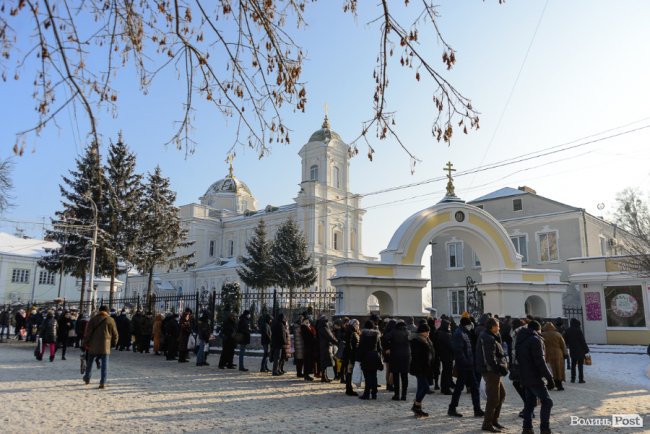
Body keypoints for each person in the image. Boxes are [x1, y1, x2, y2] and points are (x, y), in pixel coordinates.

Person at [516, 320, 554, 434]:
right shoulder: (535, 340)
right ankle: (545, 429)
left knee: (529, 402)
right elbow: (540, 362)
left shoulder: (521, 338)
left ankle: (527, 428)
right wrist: (549, 378)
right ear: (538, 329)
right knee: (547, 402)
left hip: (524, 375)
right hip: (535, 376)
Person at [448, 316, 484, 418]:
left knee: (474, 387)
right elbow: (458, 351)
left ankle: (477, 409)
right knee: (459, 388)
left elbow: (468, 349)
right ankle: (452, 408)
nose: (471, 326)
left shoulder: (465, 333)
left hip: (468, 365)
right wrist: (466, 362)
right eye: (470, 324)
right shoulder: (459, 333)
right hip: (463, 366)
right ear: (466, 325)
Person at [476, 317, 508, 433]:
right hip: (491, 372)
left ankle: (494, 420)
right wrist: (498, 369)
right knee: (493, 398)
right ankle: (487, 423)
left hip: (492, 371)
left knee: (502, 394)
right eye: (498, 326)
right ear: (492, 327)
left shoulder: (490, 336)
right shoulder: (488, 338)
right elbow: (490, 358)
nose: (499, 328)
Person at [83, 305, 119, 389]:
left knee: (90, 362)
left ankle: (87, 378)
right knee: (104, 365)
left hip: (93, 344)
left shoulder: (93, 319)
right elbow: (115, 334)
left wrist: (86, 342)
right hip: (105, 345)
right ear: (107, 311)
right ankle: (102, 382)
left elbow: (88, 333)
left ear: (99, 311)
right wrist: (113, 343)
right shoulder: (111, 320)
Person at [409, 322, 434, 417]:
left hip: (424, 367)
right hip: (419, 368)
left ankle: (418, 408)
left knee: (421, 387)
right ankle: (416, 405)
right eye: (427, 332)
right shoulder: (417, 341)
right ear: (421, 332)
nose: (428, 333)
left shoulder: (425, 339)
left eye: (429, 331)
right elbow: (419, 357)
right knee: (425, 387)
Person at [357, 320, 382, 400]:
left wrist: (359, 358)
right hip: (374, 356)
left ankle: (367, 394)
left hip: (366, 357)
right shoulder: (376, 335)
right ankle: (374, 394)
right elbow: (379, 348)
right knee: (374, 376)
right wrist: (379, 357)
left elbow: (360, 348)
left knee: (367, 377)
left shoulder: (363, 335)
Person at [387, 320, 411, 401]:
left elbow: (385, 338)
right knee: (404, 376)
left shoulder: (393, 331)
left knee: (396, 376)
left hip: (395, 356)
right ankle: (404, 395)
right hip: (406, 356)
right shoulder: (407, 332)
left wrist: (390, 346)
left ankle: (396, 395)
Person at [563, 318, 589, 383]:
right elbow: (582, 341)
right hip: (580, 350)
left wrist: (569, 345)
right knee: (580, 365)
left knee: (573, 364)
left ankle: (573, 378)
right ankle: (581, 379)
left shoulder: (567, 330)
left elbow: (565, 341)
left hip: (572, 350)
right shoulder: (578, 330)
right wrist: (586, 349)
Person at [541, 322, 567, 391]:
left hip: (547, 353)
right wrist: (565, 353)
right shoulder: (558, 334)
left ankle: (550, 384)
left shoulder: (542, 335)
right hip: (558, 353)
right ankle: (559, 385)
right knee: (558, 368)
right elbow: (563, 345)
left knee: (550, 369)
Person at [316, 314, 337, 382]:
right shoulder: (324, 326)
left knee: (324, 362)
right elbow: (329, 336)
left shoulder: (319, 326)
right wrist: (336, 341)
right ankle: (328, 377)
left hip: (322, 345)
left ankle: (324, 377)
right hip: (326, 346)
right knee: (329, 362)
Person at [437, 319, 454, 395]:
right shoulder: (445, 334)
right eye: (449, 325)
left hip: (444, 355)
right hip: (447, 355)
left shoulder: (441, 332)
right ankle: (446, 388)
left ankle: (444, 387)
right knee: (447, 372)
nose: (450, 327)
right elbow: (450, 345)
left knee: (445, 372)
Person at [345, 319, 361, 396]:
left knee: (348, 372)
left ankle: (348, 387)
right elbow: (354, 345)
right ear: (354, 325)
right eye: (357, 325)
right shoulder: (353, 333)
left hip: (348, 354)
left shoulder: (348, 331)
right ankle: (349, 389)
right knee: (349, 372)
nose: (358, 326)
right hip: (351, 355)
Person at [301, 316, 317, 381]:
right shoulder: (304, 328)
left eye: (308, 322)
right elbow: (308, 337)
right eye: (306, 322)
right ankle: (306, 375)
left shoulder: (307, 327)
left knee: (308, 361)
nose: (308, 323)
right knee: (307, 361)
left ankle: (307, 374)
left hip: (309, 346)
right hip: (307, 346)